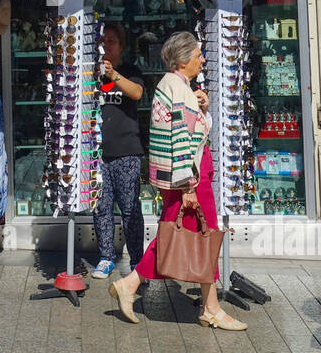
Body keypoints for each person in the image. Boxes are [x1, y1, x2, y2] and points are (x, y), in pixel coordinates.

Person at [107, 31, 245, 331]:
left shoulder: (174, 86)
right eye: (197, 55)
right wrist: (189, 187)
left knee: (180, 235)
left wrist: (200, 110)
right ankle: (210, 309)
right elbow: (180, 140)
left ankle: (134, 285)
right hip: (190, 178)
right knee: (202, 238)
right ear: (183, 60)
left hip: (184, 177)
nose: (202, 59)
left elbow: (181, 129)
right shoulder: (178, 89)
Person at [90, 23, 145, 279]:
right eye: (103, 41)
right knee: (101, 208)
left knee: (130, 208)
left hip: (127, 152)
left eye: (112, 41)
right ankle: (105, 257)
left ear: (121, 46)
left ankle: (138, 262)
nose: (107, 46)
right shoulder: (92, 74)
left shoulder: (131, 71)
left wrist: (114, 76)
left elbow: (137, 93)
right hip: (98, 153)